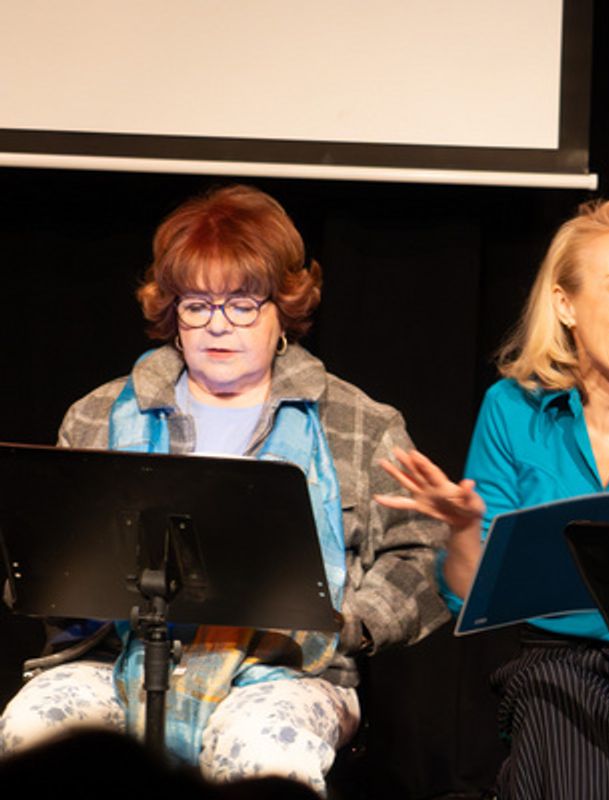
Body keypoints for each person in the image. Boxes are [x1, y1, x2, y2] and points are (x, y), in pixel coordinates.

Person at [0, 184, 449, 794]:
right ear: (172, 312)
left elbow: (421, 553)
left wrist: (356, 622)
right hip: (114, 662)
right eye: (197, 305)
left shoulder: (359, 422)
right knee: (32, 732)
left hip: (284, 672)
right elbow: (48, 557)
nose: (218, 325)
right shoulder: (99, 415)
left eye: (242, 304)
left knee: (264, 752)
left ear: (282, 309)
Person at [376, 198, 609, 798]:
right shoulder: (512, 410)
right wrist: (461, 528)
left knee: (561, 768)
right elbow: (470, 597)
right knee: (560, 725)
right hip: (554, 665)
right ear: (565, 306)